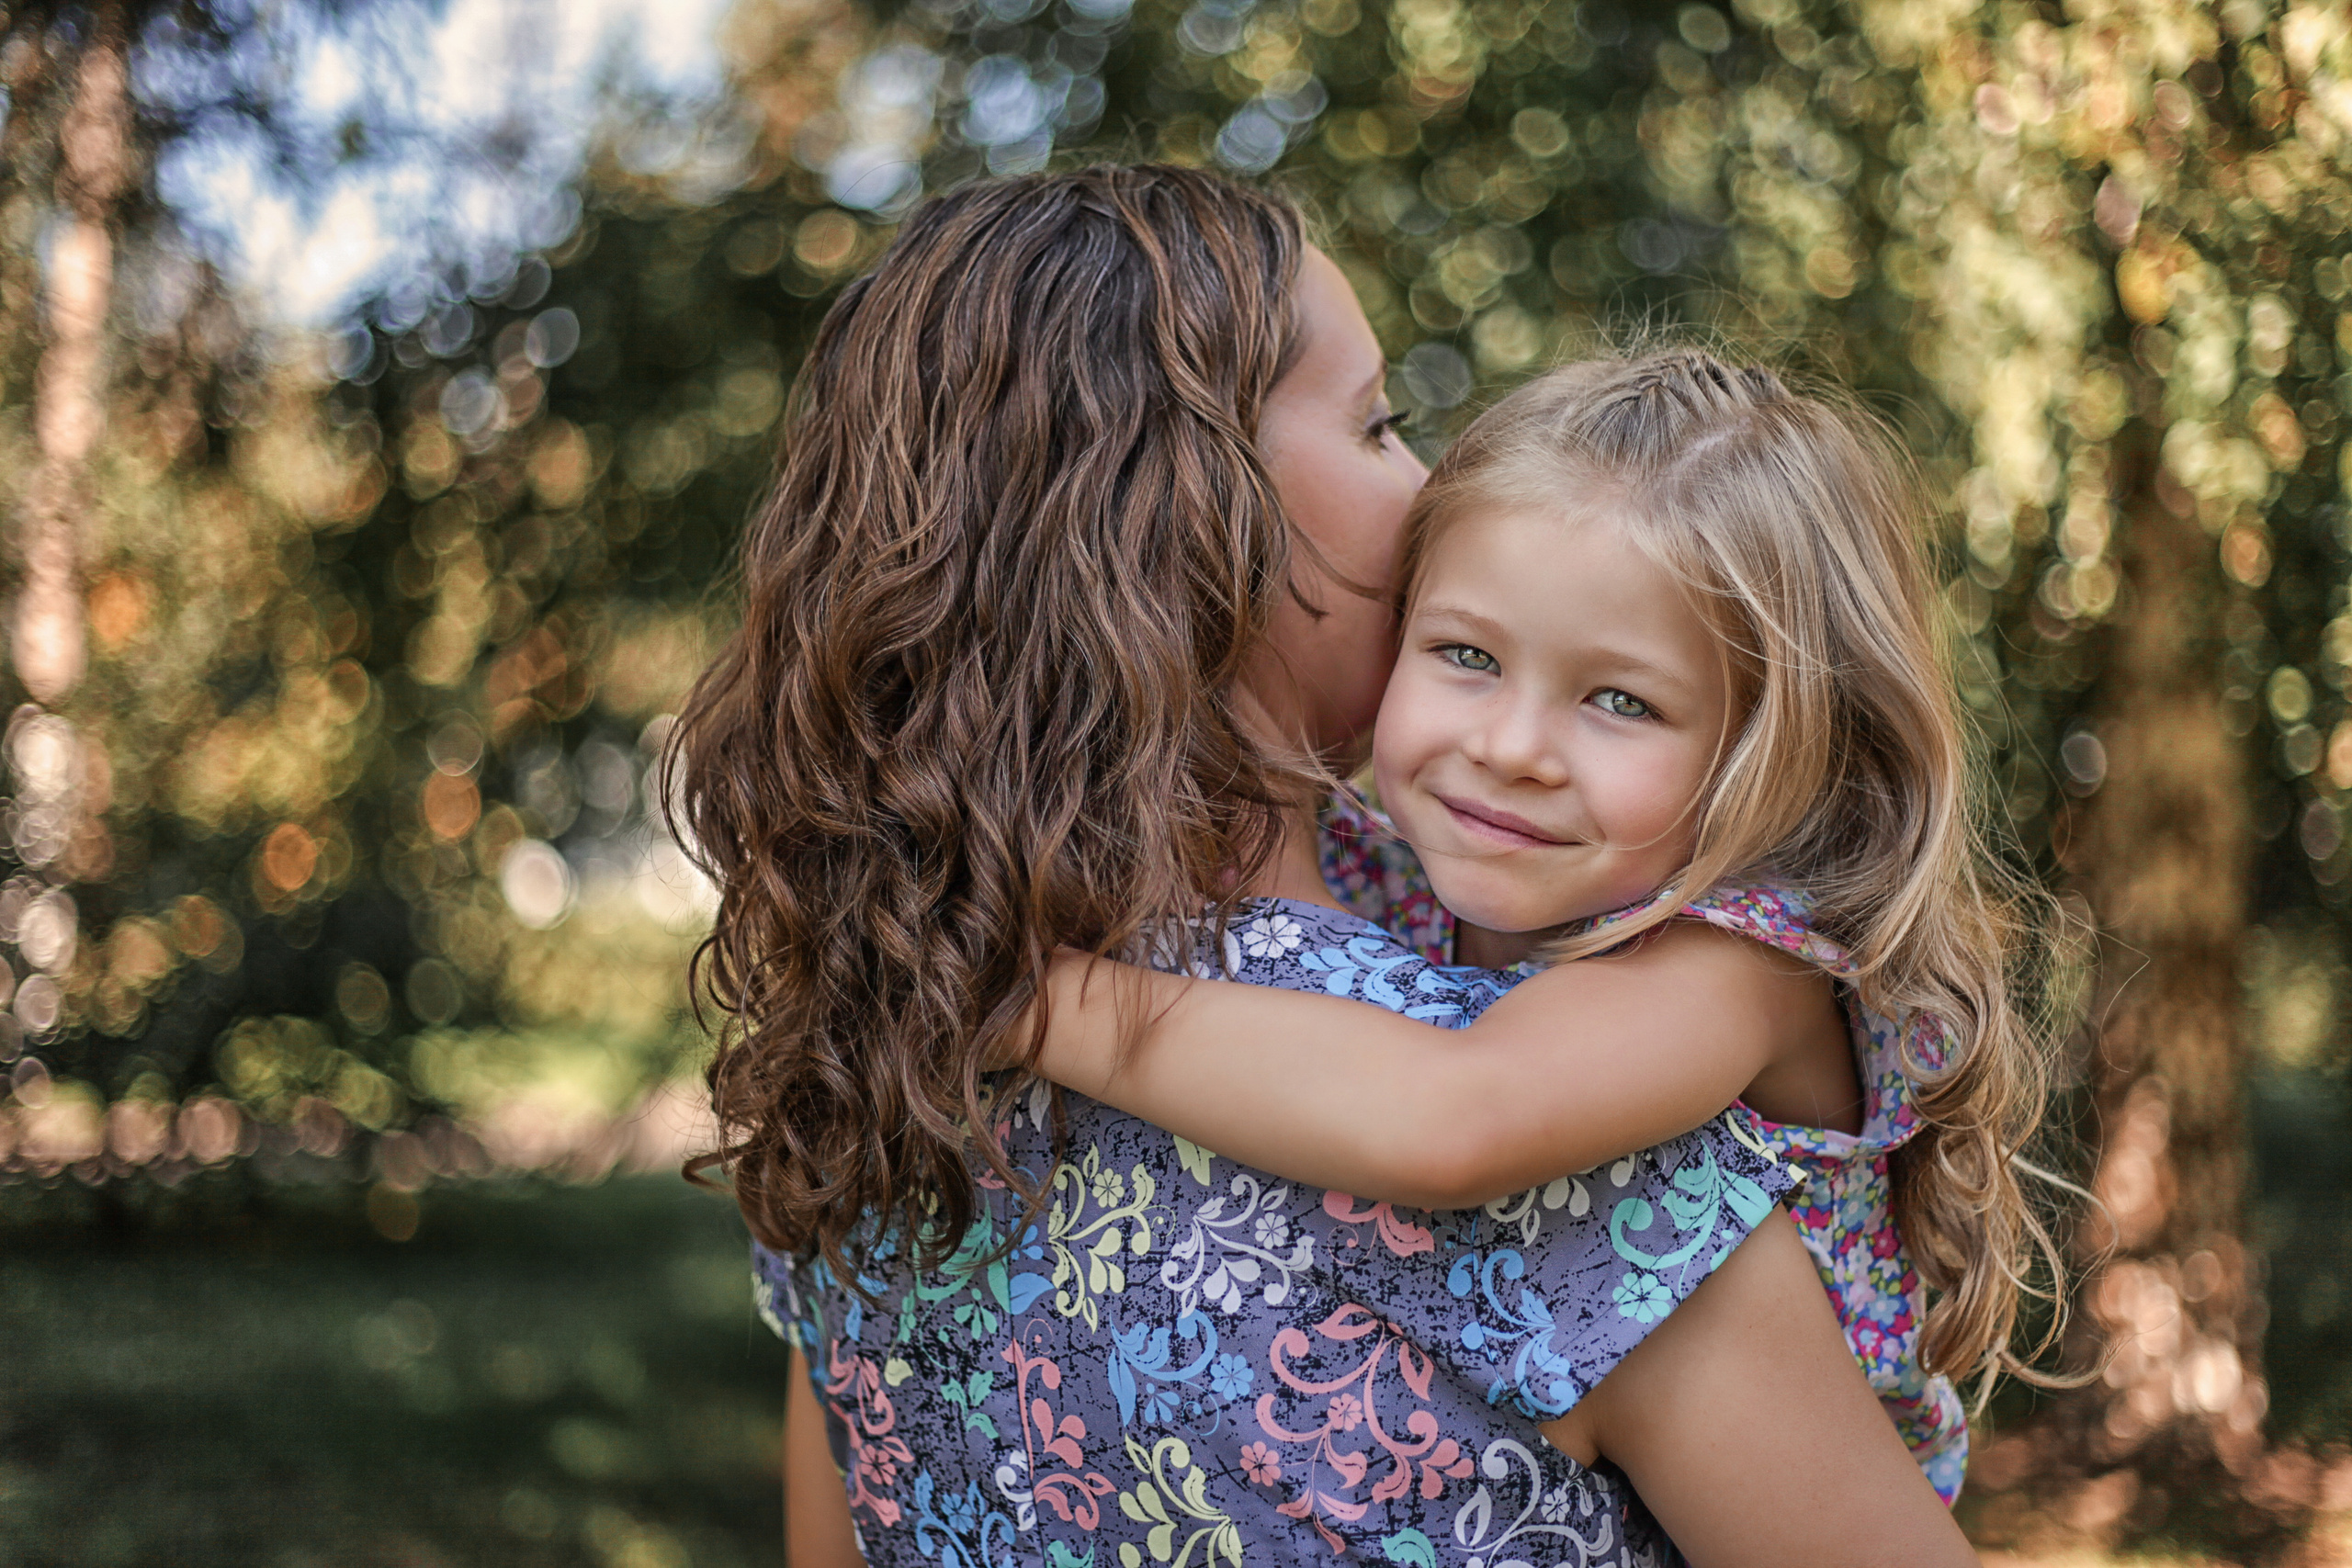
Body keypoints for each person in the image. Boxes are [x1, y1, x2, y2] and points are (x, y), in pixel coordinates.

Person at [665, 164, 1976, 1567]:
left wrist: (1013, 994)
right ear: (1188, 511)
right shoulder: (1597, 1173)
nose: (1427, 495)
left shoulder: (878, 1060)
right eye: (1378, 423)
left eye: (1619, 700)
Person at [1031, 348, 2072, 1506]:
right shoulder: (1402, 871)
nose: (1511, 748)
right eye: (1466, 656)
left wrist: (1037, 1002)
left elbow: (1451, 1119)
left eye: (1619, 701)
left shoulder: (1737, 962)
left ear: (1773, 749)